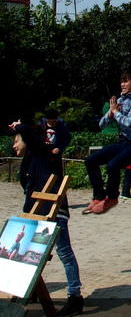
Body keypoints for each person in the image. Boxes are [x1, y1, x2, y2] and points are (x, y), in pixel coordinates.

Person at [9, 119, 84, 316]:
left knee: (64, 253)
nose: (13, 145)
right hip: (36, 211)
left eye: (16, 141)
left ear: (26, 139)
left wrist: (20, 127)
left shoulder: (42, 150)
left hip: (53, 209)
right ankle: (31, 291)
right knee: (33, 253)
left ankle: (75, 297)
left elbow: (32, 137)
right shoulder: (30, 159)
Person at [84, 69, 131, 214]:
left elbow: (129, 122)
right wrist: (111, 112)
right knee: (90, 161)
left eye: (126, 81)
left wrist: (116, 112)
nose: (122, 84)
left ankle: (112, 198)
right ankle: (98, 196)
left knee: (113, 165)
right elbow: (101, 125)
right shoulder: (120, 100)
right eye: (121, 81)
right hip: (125, 142)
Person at [39, 108, 71, 175]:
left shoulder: (61, 126)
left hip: (56, 153)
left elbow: (67, 138)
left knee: (57, 173)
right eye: (50, 121)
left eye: (54, 121)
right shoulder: (41, 126)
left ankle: (57, 184)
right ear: (46, 119)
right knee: (43, 173)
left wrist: (59, 148)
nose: (52, 123)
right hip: (43, 153)